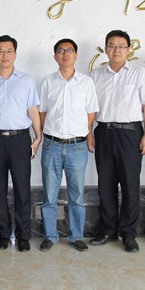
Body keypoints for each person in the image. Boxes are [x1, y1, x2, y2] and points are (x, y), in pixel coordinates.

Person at [90, 30, 145, 253]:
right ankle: (108, 230)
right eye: (112, 45)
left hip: (130, 134)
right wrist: (89, 132)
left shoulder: (139, 73)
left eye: (121, 46)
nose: (116, 50)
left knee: (130, 185)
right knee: (106, 184)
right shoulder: (96, 75)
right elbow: (90, 108)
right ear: (106, 49)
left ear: (128, 50)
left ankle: (128, 233)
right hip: (104, 133)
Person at [0, 35, 42, 252]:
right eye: (0, 51)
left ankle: (24, 236)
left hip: (19, 140)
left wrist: (38, 137)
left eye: (8, 51)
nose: (4, 55)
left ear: (15, 54)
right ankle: (3, 235)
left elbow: (33, 110)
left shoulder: (26, 81)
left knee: (22, 190)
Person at [38, 38, 99, 253]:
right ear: (55, 56)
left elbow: (91, 112)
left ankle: (76, 236)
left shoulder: (86, 82)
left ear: (76, 55)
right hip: (52, 145)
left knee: (77, 196)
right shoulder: (47, 82)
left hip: (77, 147)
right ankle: (50, 235)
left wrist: (85, 132)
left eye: (69, 50)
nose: (65, 54)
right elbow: (42, 112)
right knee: (49, 195)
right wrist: (47, 134)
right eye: (61, 50)